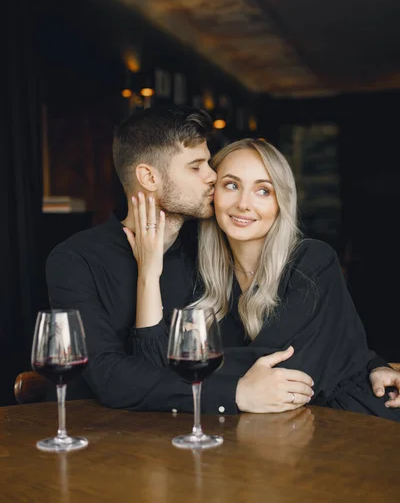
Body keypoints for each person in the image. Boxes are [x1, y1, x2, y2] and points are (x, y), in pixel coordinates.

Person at [45, 106, 400, 415]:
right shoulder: (76, 259)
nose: (212, 177)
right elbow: (110, 377)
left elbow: (284, 347)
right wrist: (234, 393)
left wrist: (369, 363)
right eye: (198, 167)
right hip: (111, 439)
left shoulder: (206, 250)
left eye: (263, 189)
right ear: (149, 177)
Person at [127, 136, 400, 420]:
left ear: (281, 202)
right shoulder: (193, 269)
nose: (244, 204)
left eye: (263, 191)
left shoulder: (313, 261)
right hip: (254, 430)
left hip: (347, 419)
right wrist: (148, 273)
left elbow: (286, 371)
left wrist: (186, 374)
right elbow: (148, 365)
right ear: (212, 194)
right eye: (231, 185)